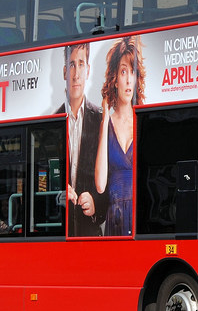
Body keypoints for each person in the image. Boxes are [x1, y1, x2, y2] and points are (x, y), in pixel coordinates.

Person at [95, 36, 146, 237]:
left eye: (132, 72)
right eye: (123, 71)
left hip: (140, 214)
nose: (127, 80)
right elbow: (100, 185)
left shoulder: (143, 120)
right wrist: (104, 118)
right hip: (114, 217)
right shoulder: (107, 124)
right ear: (115, 78)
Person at [56, 43, 106, 236]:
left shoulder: (101, 119)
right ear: (64, 72)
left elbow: (112, 179)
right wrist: (57, 196)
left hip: (90, 233)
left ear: (88, 70)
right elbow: (40, 182)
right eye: (71, 65)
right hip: (60, 234)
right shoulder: (51, 122)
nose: (76, 74)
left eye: (81, 64)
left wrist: (96, 204)